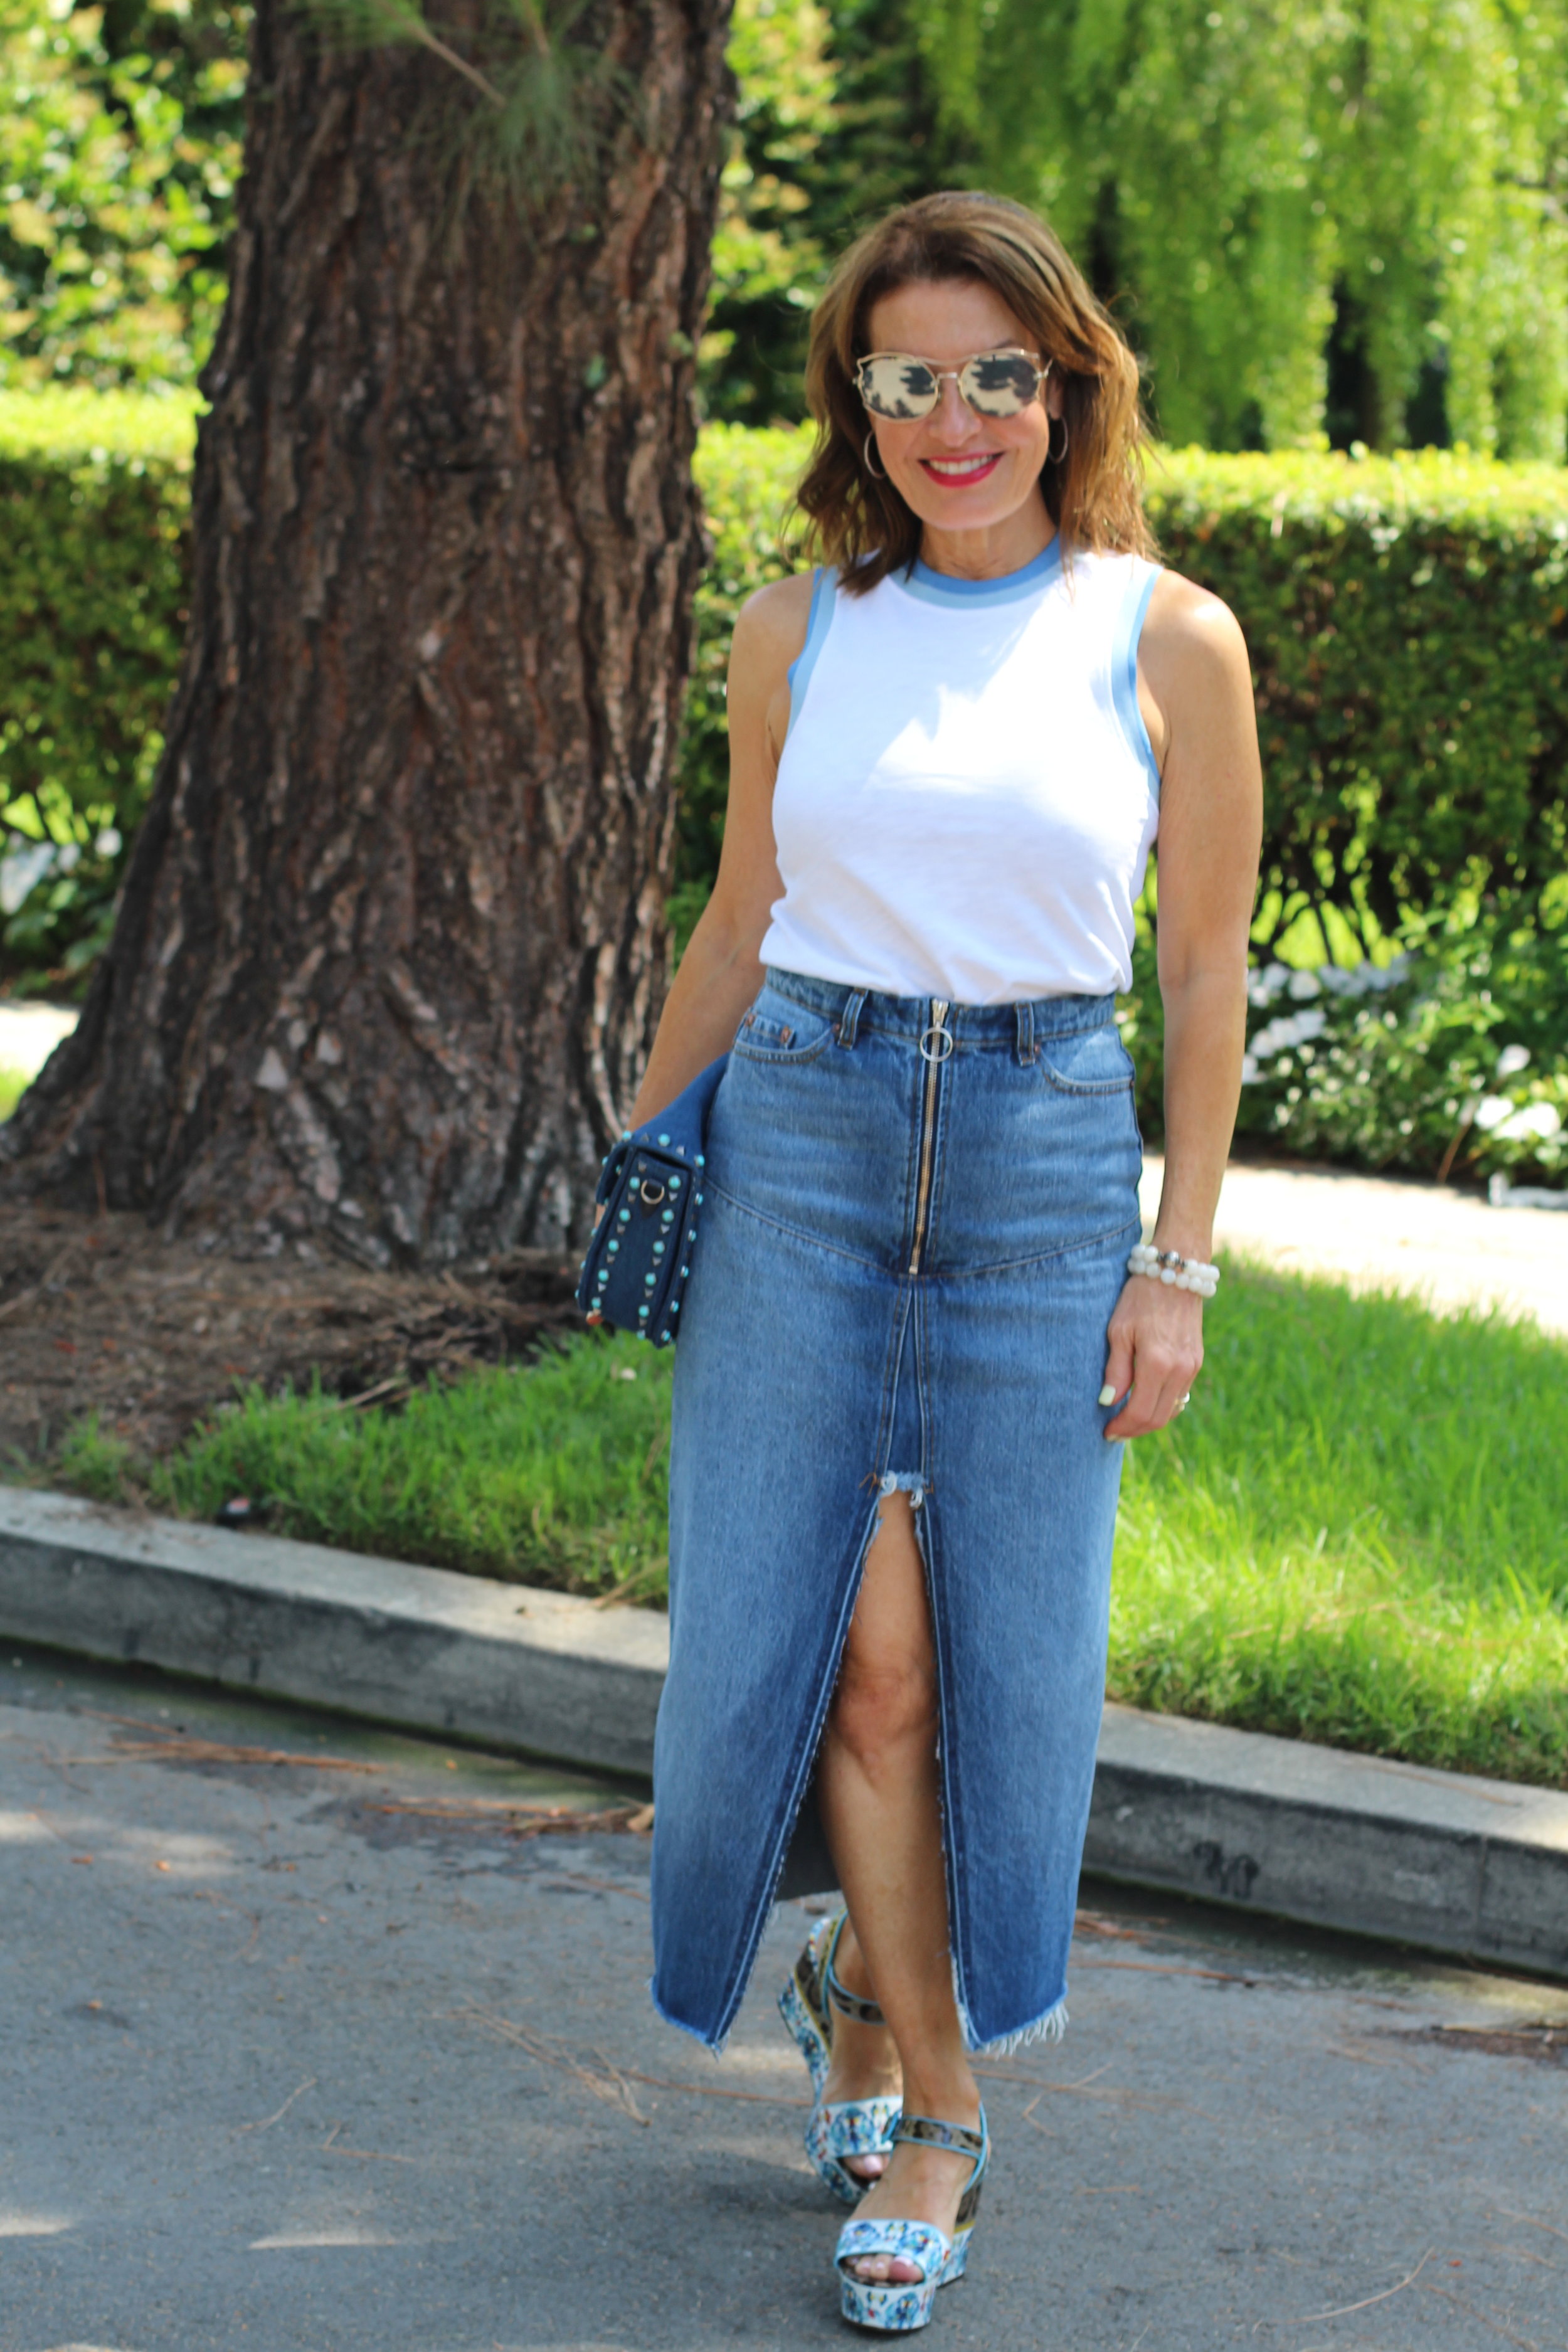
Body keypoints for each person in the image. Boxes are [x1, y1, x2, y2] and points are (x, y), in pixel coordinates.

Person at [615, 189, 1261, 2333]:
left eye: (1000, 373)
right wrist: (635, 1149)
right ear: (857, 400)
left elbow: (1194, 971)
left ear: (1064, 384)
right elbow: (736, 917)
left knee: (990, 1650)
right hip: (797, 1142)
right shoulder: (795, 630)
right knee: (842, 1655)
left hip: (1039, 1161)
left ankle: (869, 1995)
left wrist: (1176, 1258)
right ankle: (938, 2101)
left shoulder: (1163, 633)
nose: (956, 416)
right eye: (910, 377)